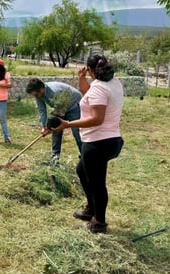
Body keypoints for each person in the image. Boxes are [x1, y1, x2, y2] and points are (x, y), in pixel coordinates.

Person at [52, 55, 124, 233]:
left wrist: (68, 124)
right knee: (81, 170)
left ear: (92, 70)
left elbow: (97, 119)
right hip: (110, 140)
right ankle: (91, 208)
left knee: (98, 183)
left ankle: (98, 222)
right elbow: (89, 95)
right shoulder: (114, 83)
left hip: (97, 142)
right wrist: (82, 79)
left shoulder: (100, 87)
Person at [26, 78, 82, 163]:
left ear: (41, 89)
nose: (36, 97)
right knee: (56, 129)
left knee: (77, 132)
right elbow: (42, 110)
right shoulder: (39, 94)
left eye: (36, 95)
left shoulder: (55, 92)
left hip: (74, 105)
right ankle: (54, 158)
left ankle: (85, 157)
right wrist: (43, 126)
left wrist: (49, 128)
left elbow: (60, 111)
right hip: (61, 108)